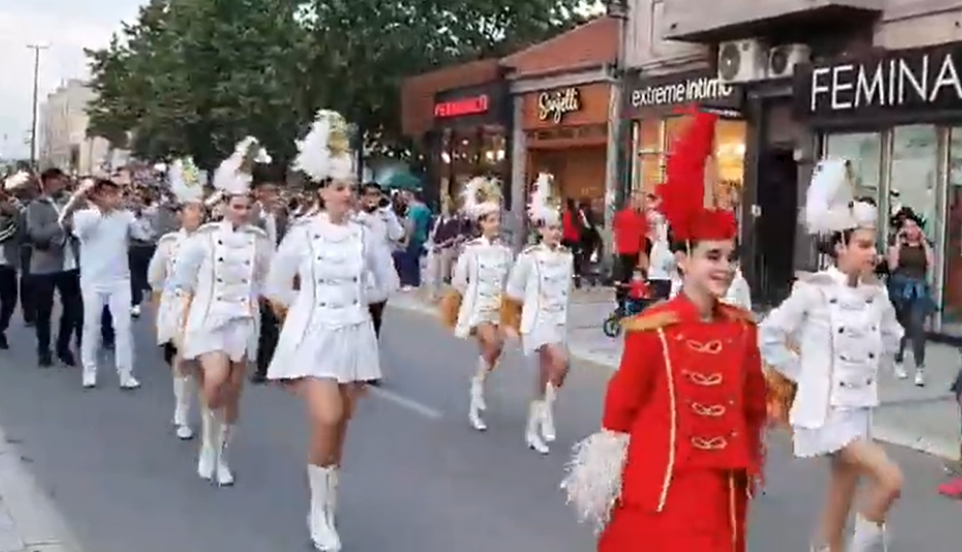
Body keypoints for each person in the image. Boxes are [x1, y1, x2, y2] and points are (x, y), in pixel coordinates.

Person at [561, 111, 767, 552]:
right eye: (713, 257)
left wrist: (748, 459)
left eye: (730, 258)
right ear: (683, 261)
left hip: (723, 493)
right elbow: (620, 411)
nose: (725, 268)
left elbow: (752, 407)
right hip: (663, 492)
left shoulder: (743, 329)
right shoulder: (653, 330)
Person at [265, 110, 398, 551]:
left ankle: (326, 508)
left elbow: (388, 282)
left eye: (352, 189)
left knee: (341, 428)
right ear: (323, 191)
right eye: (341, 188)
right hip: (315, 335)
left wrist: (362, 300)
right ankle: (316, 512)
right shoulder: (302, 234)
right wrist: (298, 315)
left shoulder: (366, 235)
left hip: (354, 335)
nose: (349, 196)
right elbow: (276, 285)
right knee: (327, 415)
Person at [759, 158, 904, 552]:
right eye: (863, 245)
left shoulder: (876, 294)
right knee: (890, 480)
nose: (872, 252)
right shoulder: (814, 289)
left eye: (873, 244)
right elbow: (770, 334)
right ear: (839, 246)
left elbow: (893, 340)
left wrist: (881, 331)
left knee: (838, 502)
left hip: (859, 408)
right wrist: (804, 372)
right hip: (827, 412)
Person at [170, 137, 273, 486]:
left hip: (242, 321)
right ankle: (207, 446)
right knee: (213, 382)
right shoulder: (204, 239)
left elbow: (265, 278)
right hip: (208, 316)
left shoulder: (259, 240)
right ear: (224, 204)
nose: (243, 213)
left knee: (232, 391)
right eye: (237, 206)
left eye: (247, 207)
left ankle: (223, 454)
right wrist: (180, 324)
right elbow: (182, 281)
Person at [501, 172, 573, 455]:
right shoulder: (529, 257)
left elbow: (567, 292)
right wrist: (511, 324)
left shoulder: (567, 257)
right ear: (541, 229)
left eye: (559, 228)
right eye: (551, 228)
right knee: (562, 362)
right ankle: (544, 415)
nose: (556, 233)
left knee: (546, 375)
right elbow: (513, 292)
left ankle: (535, 426)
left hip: (557, 322)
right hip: (535, 320)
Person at [59, 176, 153, 389]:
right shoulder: (85, 216)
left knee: (124, 328)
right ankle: (89, 371)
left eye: (115, 193)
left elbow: (144, 236)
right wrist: (82, 198)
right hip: (92, 280)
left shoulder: (125, 216)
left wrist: (139, 212)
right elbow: (74, 228)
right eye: (107, 193)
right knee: (91, 326)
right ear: (98, 195)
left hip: (120, 280)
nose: (113, 197)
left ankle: (126, 374)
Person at [440, 176, 512, 432]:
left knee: (495, 350)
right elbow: (460, 280)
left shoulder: (505, 252)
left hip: (497, 307)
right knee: (491, 343)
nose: (496, 225)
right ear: (481, 223)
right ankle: (477, 387)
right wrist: (468, 300)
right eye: (491, 220)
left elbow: (509, 281)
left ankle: (475, 398)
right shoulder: (471, 250)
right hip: (478, 306)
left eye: (497, 220)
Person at [148, 157, 207, 440]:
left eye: (200, 209)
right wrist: (159, 313)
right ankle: (181, 411)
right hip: (177, 306)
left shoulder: (212, 241)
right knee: (182, 361)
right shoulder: (169, 243)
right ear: (180, 214)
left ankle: (207, 413)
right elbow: (156, 279)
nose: (197, 214)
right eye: (191, 209)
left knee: (204, 364)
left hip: (206, 306)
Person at [25, 168, 82, 367]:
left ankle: (63, 347)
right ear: (47, 182)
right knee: (44, 311)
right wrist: (61, 225)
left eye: (63, 180)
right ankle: (43, 350)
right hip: (44, 266)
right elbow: (36, 235)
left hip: (70, 264)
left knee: (73, 309)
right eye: (58, 180)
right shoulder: (36, 206)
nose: (62, 184)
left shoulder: (71, 203)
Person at [886, 207, 934, 386]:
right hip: (901, 288)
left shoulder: (925, 245)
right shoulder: (898, 244)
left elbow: (931, 264)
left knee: (917, 327)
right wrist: (898, 242)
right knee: (902, 328)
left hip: (919, 289)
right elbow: (892, 266)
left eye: (914, 226)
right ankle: (898, 360)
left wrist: (924, 242)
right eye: (907, 227)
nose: (911, 230)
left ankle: (920, 367)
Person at [249, 163, 287, 384]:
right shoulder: (254, 213)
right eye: (270, 191)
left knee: (273, 319)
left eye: (276, 191)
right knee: (263, 320)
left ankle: (270, 365)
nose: (274, 196)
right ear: (259, 192)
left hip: (276, 271)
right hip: (256, 274)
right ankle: (262, 364)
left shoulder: (280, 215)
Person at [353, 181, 404, 339]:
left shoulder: (385, 216)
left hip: (381, 271)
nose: (372, 198)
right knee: (359, 315)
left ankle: (372, 347)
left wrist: (389, 216)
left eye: (376, 195)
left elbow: (397, 235)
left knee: (376, 314)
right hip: (359, 270)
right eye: (368, 194)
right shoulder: (354, 217)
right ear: (361, 197)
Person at [0, 171, 29, 349]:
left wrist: (15, 208)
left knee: (10, 300)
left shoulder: (12, 207)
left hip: (7, 263)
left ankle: (0, 328)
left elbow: (24, 226)